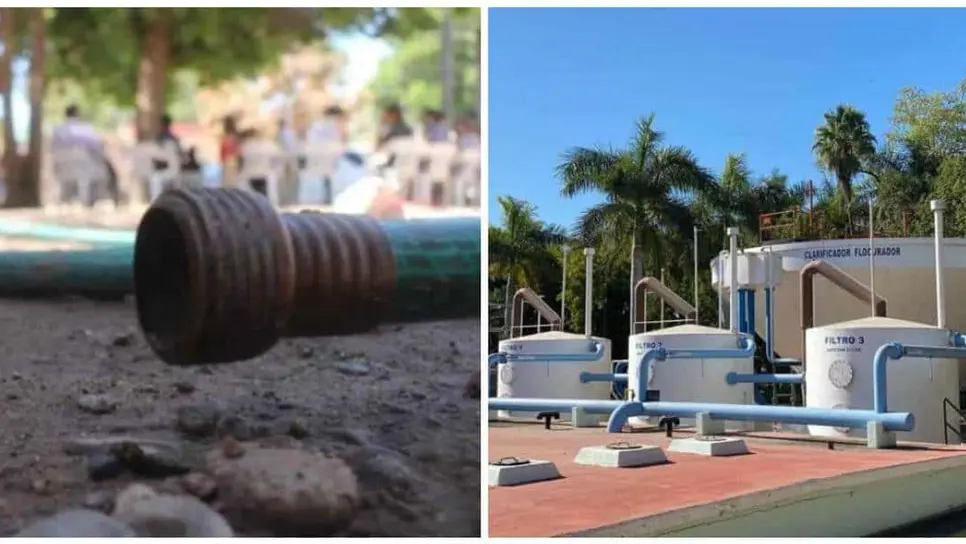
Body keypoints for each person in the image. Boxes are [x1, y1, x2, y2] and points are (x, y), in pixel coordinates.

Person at [50, 105, 119, 205]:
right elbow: (97, 149)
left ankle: (69, 198)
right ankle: (112, 198)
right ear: (78, 114)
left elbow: (53, 150)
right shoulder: (86, 129)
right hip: (85, 169)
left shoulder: (57, 130)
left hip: (63, 170)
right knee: (108, 169)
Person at [219, 116, 241, 186]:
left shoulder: (227, 137)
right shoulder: (234, 136)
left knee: (228, 183)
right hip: (232, 160)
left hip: (229, 160)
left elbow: (223, 150)